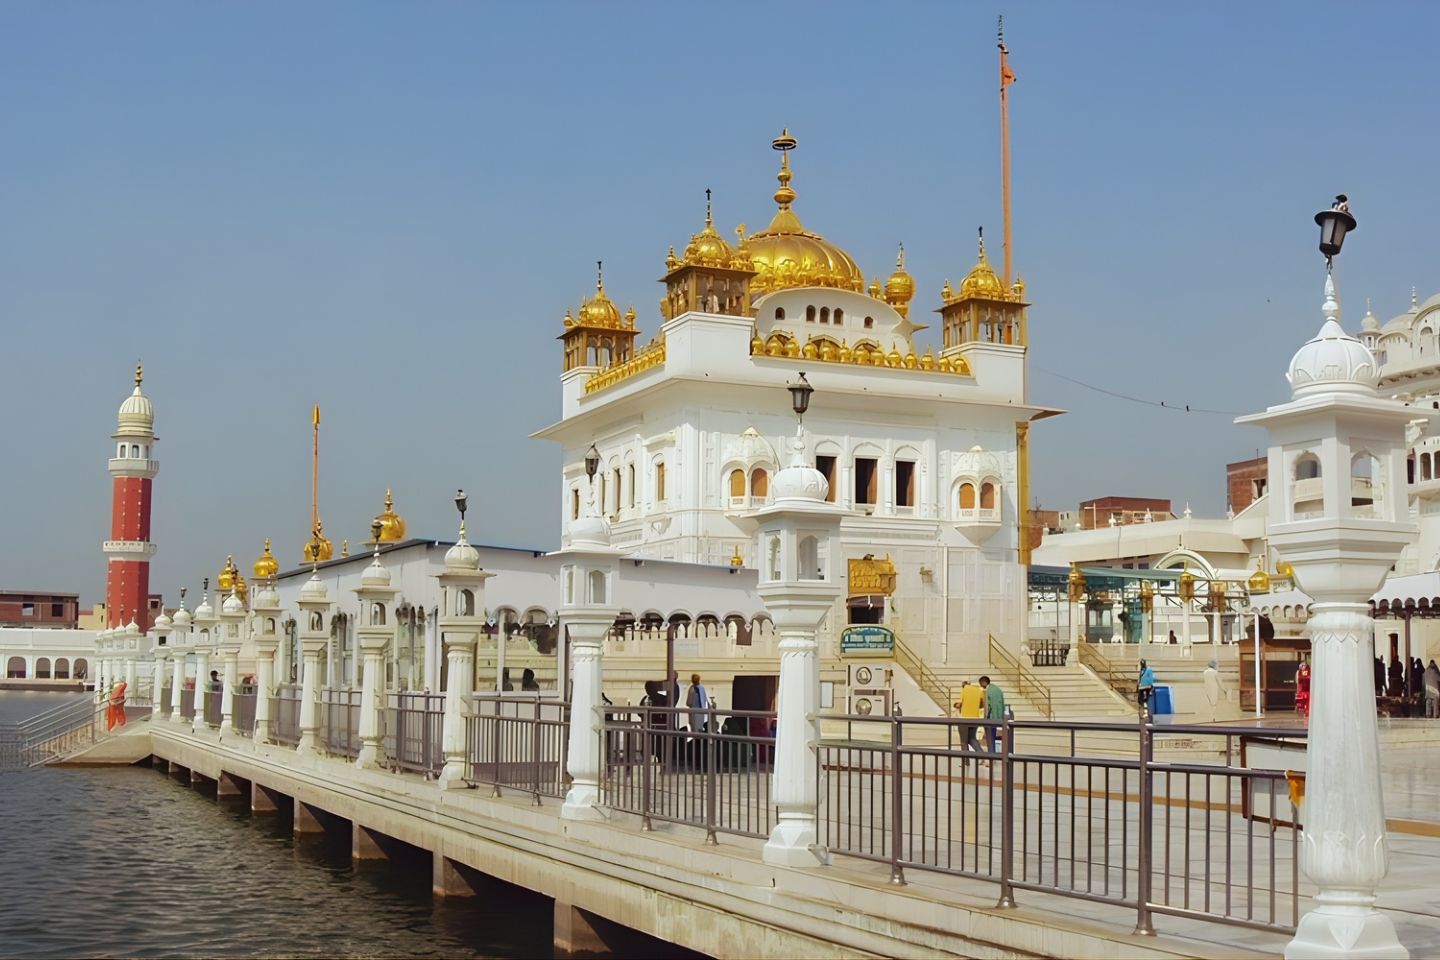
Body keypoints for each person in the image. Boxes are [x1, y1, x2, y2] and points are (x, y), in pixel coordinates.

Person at [957, 680, 986, 760]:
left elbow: (960, 703)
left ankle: (966, 761)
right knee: (972, 739)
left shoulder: (964, 690)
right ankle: (983, 756)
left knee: (964, 742)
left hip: (964, 719)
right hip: (975, 719)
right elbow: (981, 705)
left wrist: (956, 705)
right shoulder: (978, 690)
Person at [979, 676, 1005, 752]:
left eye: (980, 683)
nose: (980, 686)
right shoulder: (997, 689)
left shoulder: (989, 691)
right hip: (998, 717)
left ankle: (991, 755)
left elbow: (988, 706)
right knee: (993, 737)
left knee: (990, 738)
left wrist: (985, 718)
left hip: (991, 717)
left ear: (984, 682)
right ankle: (993, 755)